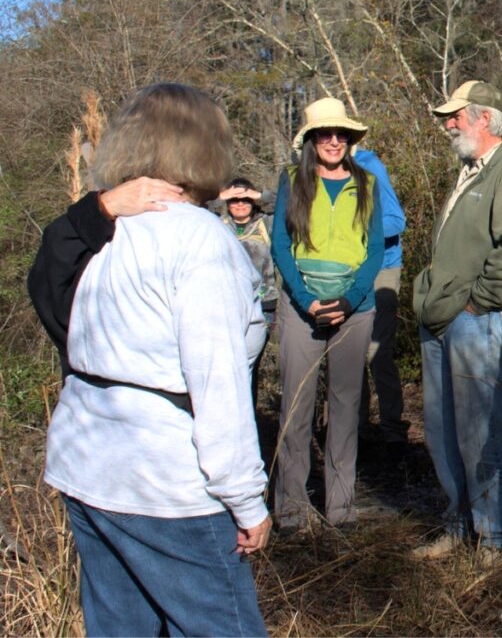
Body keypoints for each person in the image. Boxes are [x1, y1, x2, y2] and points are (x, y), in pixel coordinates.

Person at [28, 83, 270, 636]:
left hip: (86, 464)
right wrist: (245, 498)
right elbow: (217, 384)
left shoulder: (107, 231)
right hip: (163, 482)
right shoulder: (203, 243)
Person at [412, 80, 502, 560]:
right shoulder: (472, 169)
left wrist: (477, 304)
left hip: (478, 318)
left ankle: (497, 538)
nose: (448, 124)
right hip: (445, 317)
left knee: (482, 432)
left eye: (456, 115)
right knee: (443, 429)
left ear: (484, 117)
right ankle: (460, 525)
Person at [271, 97, 384, 531]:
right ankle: (291, 509)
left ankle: (341, 507)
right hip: (302, 308)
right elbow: (281, 245)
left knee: (345, 406)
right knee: (296, 406)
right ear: (311, 140)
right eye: (325, 134)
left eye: (342, 134)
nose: (334, 141)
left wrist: (350, 300)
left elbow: (375, 249)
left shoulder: (368, 183)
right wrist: (305, 300)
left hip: (354, 310)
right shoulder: (290, 180)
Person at [355, 147, 409, 458]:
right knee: (349, 353)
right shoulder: (323, 170)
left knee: (378, 352)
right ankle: (355, 429)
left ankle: (393, 431)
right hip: (349, 272)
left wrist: (354, 228)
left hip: (382, 269)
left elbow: (395, 221)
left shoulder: (369, 166)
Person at [216, 178, 279, 406]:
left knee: (250, 366)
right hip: (224, 305)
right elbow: (196, 208)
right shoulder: (217, 224)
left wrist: (259, 195)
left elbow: (288, 204)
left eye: (245, 199)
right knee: (224, 365)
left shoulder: (266, 224)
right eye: (234, 200)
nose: (240, 204)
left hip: (262, 305)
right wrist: (221, 196)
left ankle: (249, 415)